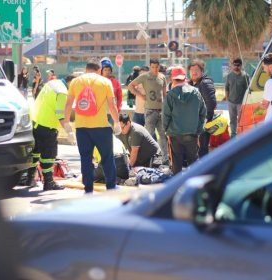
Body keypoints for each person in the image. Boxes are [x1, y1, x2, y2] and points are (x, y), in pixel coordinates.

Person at [64, 58, 121, 193]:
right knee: (107, 158)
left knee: (85, 159)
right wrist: (117, 122)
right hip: (101, 127)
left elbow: (68, 104)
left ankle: (88, 189)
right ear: (99, 69)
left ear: (86, 69)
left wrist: (67, 125)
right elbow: (112, 106)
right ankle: (111, 188)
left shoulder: (75, 82)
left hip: (82, 128)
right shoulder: (105, 81)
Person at [24, 75, 77, 190]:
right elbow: (60, 115)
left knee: (35, 152)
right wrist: (69, 132)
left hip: (35, 121)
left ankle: (30, 178)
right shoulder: (62, 92)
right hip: (47, 126)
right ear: (71, 83)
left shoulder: (53, 83)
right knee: (48, 155)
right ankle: (49, 182)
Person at [162, 66, 206, 174]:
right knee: (194, 162)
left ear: (172, 79)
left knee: (176, 162)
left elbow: (165, 115)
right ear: (184, 78)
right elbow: (203, 112)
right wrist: (199, 128)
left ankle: (177, 187)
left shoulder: (170, 95)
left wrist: (166, 130)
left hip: (174, 134)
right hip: (192, 133)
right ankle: (195, 187)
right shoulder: (196, 92)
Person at [128, 58, 169, 164]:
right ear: (150, 67)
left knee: (163, 135)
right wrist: (141, 95)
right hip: (150, 111)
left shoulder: (162, 77)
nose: (155, 69)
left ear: (159, 67)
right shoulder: (145, 76)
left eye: (156, 67)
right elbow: (130, 86)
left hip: (161, 111)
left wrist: (167, 108)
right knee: (148, 136)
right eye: (153, 67)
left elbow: (164, 94)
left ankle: (165, 159)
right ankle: (147, 159)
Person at [188, 59, 216, 157]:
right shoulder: (191, 84)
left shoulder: (204, 83)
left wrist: (205, 120)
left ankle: (204, 170)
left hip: (202, 123)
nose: (194, 72)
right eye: (191, 70)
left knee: (202, 149)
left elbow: (211, 103)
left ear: (202, 71)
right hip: (193, 122)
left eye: (196, 70)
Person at [225, 58, 250, 137]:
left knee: (241, 120)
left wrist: (246, 101)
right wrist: (227, 99)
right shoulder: (229, 76)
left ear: (241, 66)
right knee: (232, 120)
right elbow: (226, 88)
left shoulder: (245, 76)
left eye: (238, 65)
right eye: (234, 65)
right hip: (231, 102)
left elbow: (248, 90)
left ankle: (241, 135)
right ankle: (233, 134)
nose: (236, 67)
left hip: (241, 102)